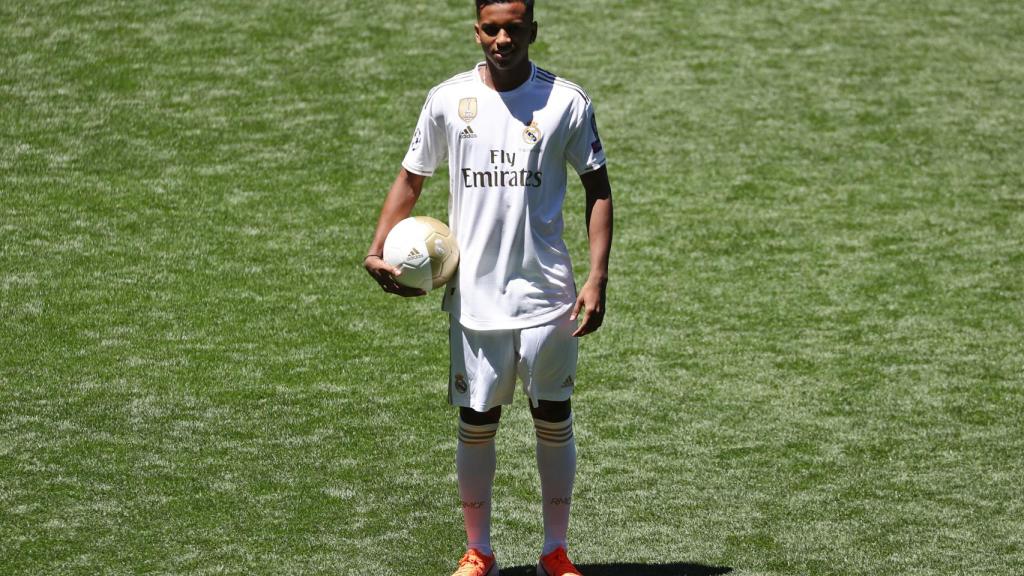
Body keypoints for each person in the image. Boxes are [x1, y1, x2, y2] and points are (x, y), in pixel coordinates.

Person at [365, 1, 612, 574]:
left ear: (532, 31)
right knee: (477, 421)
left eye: (513, 28)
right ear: (476, 30)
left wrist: (597, 277)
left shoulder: (566, 102)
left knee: (552, 414)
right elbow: (411, 177)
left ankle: (556, 550)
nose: (502, 39)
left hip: (549, 295)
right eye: (491, 28)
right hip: (474, 298)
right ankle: (479, 551)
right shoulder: (447, 99)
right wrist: (377, 250)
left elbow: (598, 188)